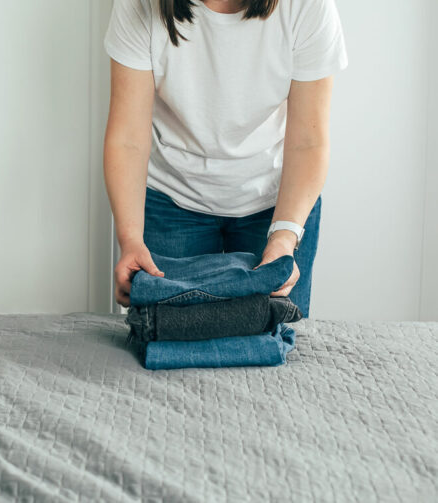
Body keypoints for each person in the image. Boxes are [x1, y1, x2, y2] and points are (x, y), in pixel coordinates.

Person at [103, 0, 348, 317]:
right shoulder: (138, 4)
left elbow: (308, 142)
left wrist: (284, 238)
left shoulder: (307, 6)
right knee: (168, 344)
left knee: (273, 349)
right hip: (171, 200)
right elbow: (128, 140)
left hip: (276, 205)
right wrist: (130, 239)